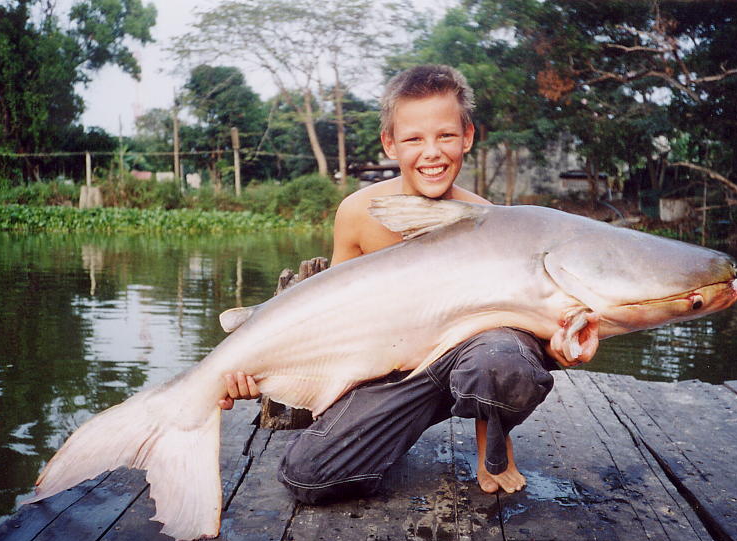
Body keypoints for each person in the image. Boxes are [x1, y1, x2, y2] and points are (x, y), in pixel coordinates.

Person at [219, 65, 596, 503]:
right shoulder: (358, 212)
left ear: (467, 137)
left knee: (502, 354)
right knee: (307, 476)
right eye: (414, 139)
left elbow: (510, 330)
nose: (431, 153)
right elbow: (337, 319)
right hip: (393, 374)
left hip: (464, 359)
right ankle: (389, 428)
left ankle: (494, 443)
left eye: (446, 136)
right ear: (390, 143)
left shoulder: (489, 220)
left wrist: (561, 348)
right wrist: (261, 373)